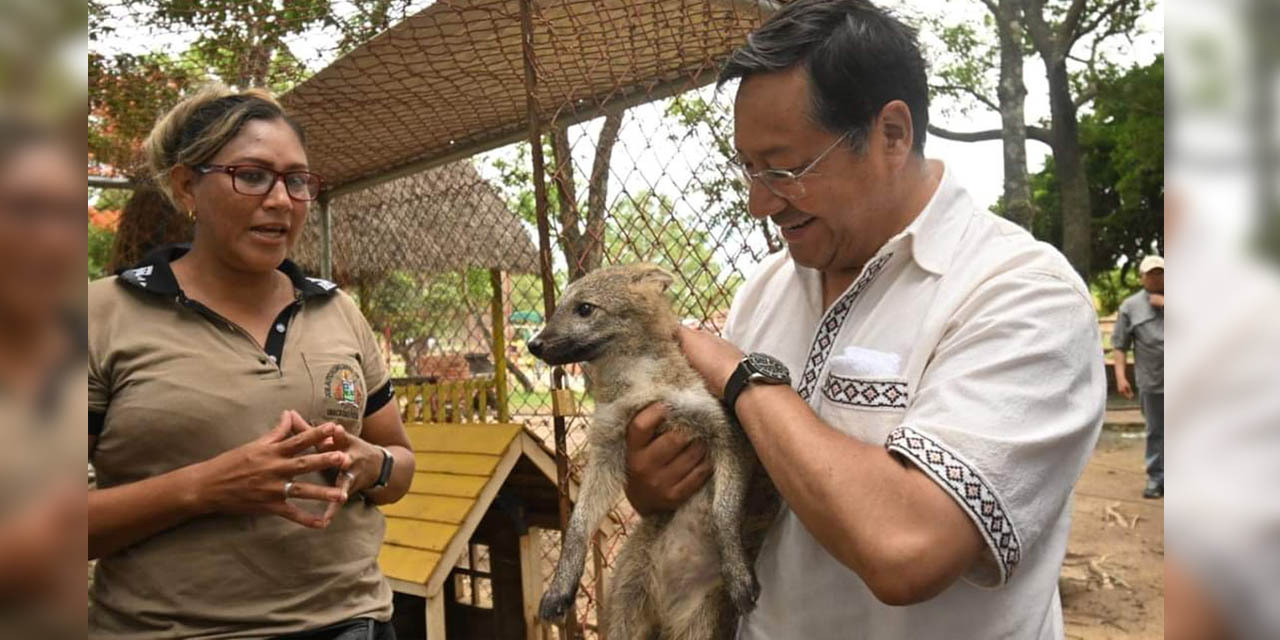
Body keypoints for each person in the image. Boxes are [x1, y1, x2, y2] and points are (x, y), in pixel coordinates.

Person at [622, 1, 1105, 637]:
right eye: (749, 168)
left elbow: (907, 550)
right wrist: (655, 485)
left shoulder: (1020, 294)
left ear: (893, 135)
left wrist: (745, 379)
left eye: (784, 169)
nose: (758, 202)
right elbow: (739, 484)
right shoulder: (766, 289)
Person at [88, 84, 415, 639]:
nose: (282, 200)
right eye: (253, 175)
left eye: (297, 180)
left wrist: (371, 465)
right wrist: (204, 488)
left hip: (351, 625)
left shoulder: (336, 310)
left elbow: (400, 461)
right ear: (187, 185)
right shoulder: (98, 315)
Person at [1111, 254, 1164, 498]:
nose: (1156, 277)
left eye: (1160, 272)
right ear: (1141, 277)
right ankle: (1156, 477)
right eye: (1150, 273)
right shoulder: (1130, 306)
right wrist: (1121, 377)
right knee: (1156, 430)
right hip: (1152, 381)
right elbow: (1119, 346)